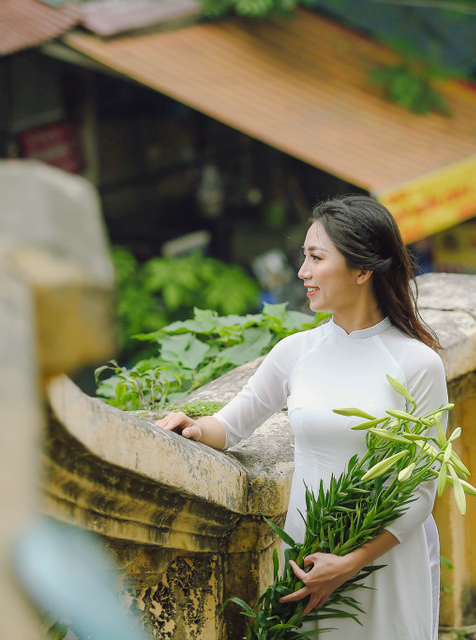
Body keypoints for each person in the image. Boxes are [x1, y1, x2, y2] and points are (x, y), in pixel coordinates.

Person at [157, 195, 447, 639]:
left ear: (362, 270)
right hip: (307, 559)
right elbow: (231, 425)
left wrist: (349, 564)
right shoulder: (297, 352)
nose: (302, 272)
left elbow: (423, 491)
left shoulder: (416, 364)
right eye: (304, 257)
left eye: (316, 258)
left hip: (379, 562)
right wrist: (192, 428)